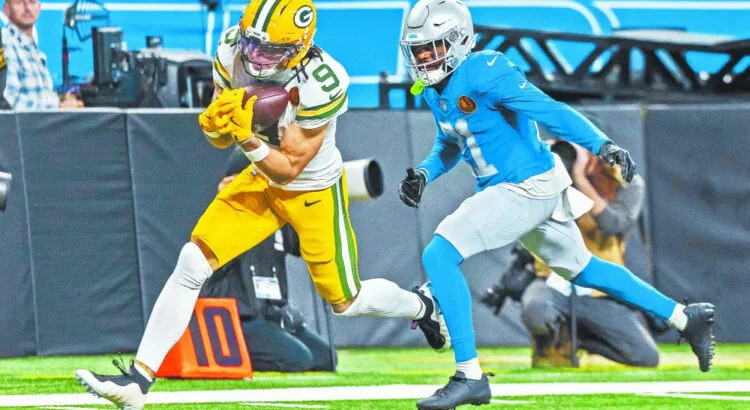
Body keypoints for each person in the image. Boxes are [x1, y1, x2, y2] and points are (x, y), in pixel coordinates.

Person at [75, 0, 447, 408]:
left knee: (346, 300)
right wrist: (217, 125)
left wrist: (247, 137)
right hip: (260, 178)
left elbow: (289, 167)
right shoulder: (231, 47)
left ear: (299, 47)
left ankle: (423, 306)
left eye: (270, 50)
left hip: (311, 191)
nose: (256, 56)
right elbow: (220, 135)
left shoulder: (322, 81)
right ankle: (137, 381)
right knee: (193, 260)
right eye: (252, 43)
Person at [397, 0, 715, 408]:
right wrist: (425, 173)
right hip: (525, 187)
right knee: (583, 269)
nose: (425, 58)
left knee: (439, 255)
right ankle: (685, 317)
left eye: (433, 48)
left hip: (524, 185)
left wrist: (601, 145)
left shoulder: (484, 70)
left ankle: (468, 374)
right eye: (419, 51)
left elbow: (548, 109)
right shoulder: (435, 90)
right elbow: (450, 141)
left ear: (459, 41)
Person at [519, 140, 662, 368]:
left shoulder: (625, 181)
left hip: (599, 288)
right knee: (537, 311)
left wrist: (581, 179)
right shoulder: (550, 177)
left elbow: (612, 224)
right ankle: (553, 339)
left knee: (645, 356)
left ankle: (578, 340)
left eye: (581, 145)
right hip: (553, 280)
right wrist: (538, 165)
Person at [201, 148, 336, 372]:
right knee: (298, 359)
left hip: (271, 314)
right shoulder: (226, 217)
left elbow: (309, 245)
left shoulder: (275, 215)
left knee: (326, 358)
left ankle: (270, 344)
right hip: (238, 318)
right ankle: (232, 354)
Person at [1, 0, 82, 110]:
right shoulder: (5, 43)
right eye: (19, 2)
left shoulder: (32, 48)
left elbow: (40, 94)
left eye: (32, 2)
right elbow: (8, 100)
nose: (27, 8)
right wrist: (58, 106)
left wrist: (61, 100)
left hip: (43, 120)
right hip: (25, 121)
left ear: (39, 8)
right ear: (6, 8)